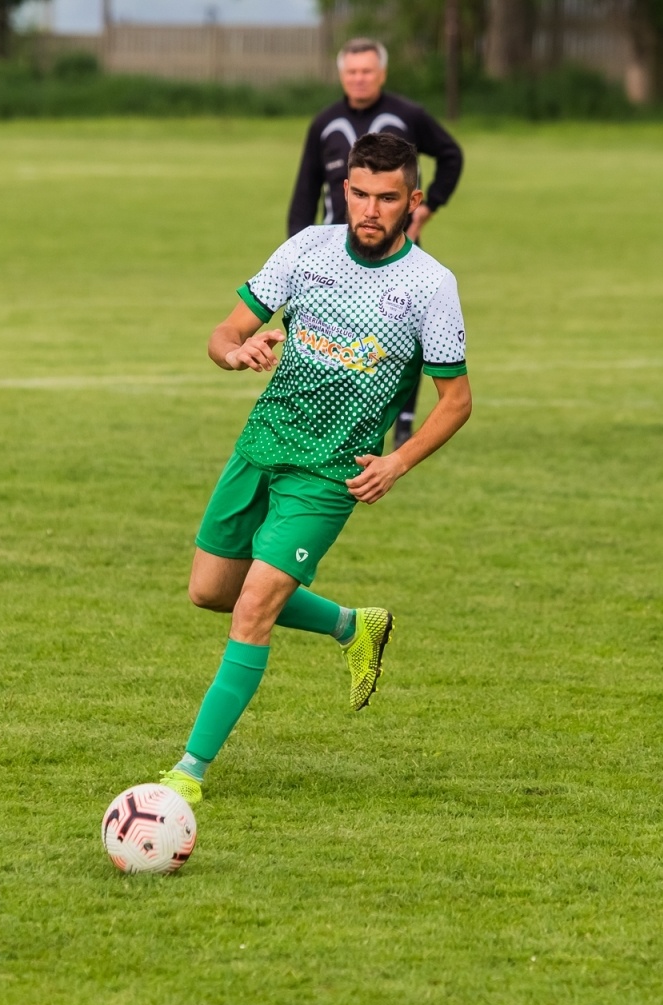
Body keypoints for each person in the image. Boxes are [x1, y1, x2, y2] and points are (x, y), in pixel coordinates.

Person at [159, 132, 473, 806]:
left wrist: (397, 461)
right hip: (261, 445)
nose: (368, 208)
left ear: (412, 201)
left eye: (386, 198)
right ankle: (351, 625)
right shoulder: (306, 249)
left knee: (252, 609)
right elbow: (222, 333)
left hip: (330, 470)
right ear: (343, 190)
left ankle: (188, 772)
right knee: (210, 590)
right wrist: (236, 352)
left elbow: (457, 401)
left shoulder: (429, 286)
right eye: (358, 193)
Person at [289, 37, 464, 448]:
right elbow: (305, 191)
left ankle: (404, 417)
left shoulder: (408, 115)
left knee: (405, 334)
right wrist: (297, 250)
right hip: (335, 252)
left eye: (367, 71)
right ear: (341, 75)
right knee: (334, 336)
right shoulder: (324, 122)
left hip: (392, 249)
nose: (360, 78)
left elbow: (451, 155)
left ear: (381, 74)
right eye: (352, 72)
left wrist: (429, 206)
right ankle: (331, 413)